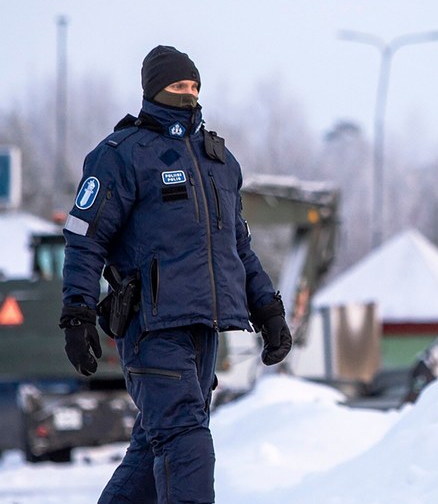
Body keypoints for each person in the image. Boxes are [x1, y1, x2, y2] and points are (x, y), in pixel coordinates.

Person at [59, 45, 291, 504]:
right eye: (177, 85)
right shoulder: (121, 156)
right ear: (152, 90)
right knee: (186, 444)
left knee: (154, 447)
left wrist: (268, 309)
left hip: (204, 328)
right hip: (152, 328)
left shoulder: (219, 163)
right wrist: (77, 312)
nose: (188, 94)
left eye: (194, 86)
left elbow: (237, 247)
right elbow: (85, 238)